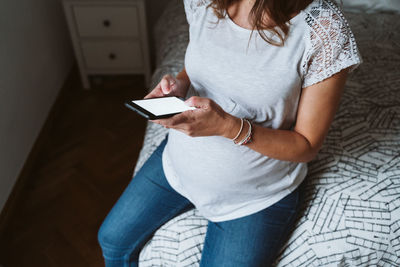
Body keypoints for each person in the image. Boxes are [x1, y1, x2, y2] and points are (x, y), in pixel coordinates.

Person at [97, 0, 362, 266]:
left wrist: (228, 127)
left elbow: (307, 145)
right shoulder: (204, 2)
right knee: (111, 240)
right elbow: (197, 65)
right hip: (176, 166)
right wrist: (179, 86)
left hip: (255, 196)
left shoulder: (323, 28)